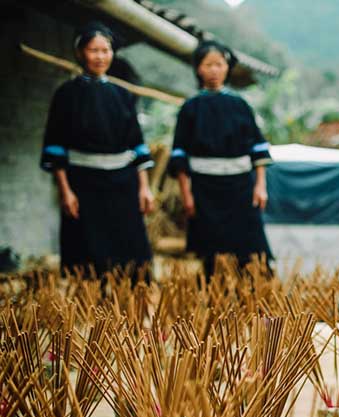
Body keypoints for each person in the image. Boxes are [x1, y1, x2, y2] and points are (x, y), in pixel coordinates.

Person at [41, 22, 154, 275]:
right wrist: (66, 191)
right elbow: (55, 146)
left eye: (106, 50)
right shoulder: (66, 94)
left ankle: (128, 306)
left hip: (123, 185)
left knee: (129, 251)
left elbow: (137, 143)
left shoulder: (122, 95)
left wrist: (144, 187)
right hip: (84, 184)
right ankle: (91, 309)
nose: (101, 57)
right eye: (94, 50)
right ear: (80, 53)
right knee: (87, 253)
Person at [168, 41, 272, 276]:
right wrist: (187, 195)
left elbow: (258, 149)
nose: (214, 70)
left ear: (227, 68)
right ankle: (215, 301)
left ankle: (253, 298)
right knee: (211, 252)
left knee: (250, 249)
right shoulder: (190, 108)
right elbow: (179, 155)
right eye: (208, 65)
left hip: (241, 187)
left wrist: (260, 186)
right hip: (205, 190)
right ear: (198, 69)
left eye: (219, 64)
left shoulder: (240, 105)